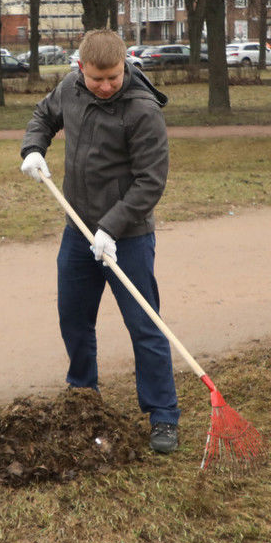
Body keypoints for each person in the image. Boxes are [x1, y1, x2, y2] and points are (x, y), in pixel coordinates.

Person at [20, 29, 181, 454]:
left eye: (112, 77)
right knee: (73, 319)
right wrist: (34, 149)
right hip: (78, 231)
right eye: (97, 79)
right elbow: (43, 116)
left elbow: (151, 181)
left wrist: (111, 227)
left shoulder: (142, 110)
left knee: (145, 325)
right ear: (80, 68)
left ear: (124, 65)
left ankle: (163, 416)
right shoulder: (69, 89)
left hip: (128, 238)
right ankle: (82, 396)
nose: (106, 86)